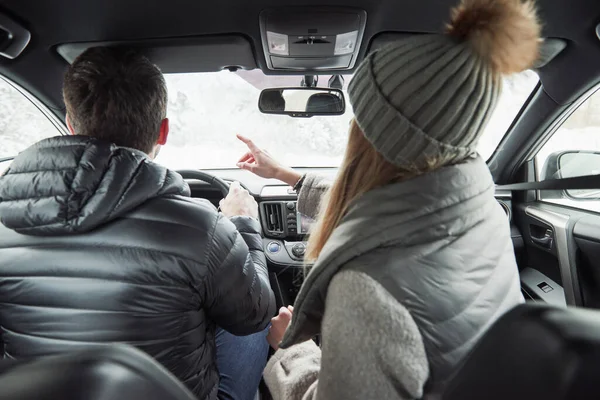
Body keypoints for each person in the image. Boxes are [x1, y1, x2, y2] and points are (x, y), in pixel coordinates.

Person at [236, 0, 540, 398]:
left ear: (380, 139)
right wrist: (286, 176)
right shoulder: (482, 209)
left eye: (358, 119)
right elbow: (396, 205)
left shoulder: (368, 290)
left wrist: (291, 351)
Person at [0, 47, 276, 400]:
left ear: (71, 124)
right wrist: (243, 224)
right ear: (163, 131)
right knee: (250, 307)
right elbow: (254, 315)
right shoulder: (202, 226)